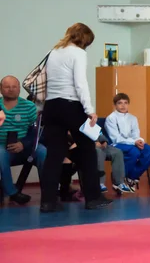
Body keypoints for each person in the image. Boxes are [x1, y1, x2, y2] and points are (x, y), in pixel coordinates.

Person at [39, 22, 111, 212]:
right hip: (70, 104)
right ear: (85, 39)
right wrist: (90, 109)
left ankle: (47, 202)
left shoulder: (53, 52)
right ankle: (93, 197)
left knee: (54, 154)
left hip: (51, 106)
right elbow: (80, 83)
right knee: (87, 150)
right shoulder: (78, 53)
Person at [0, 75, 44, 205]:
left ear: (19, 89)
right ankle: (12, 192)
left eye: (14, 86)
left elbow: (35, 132)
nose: (11, 89)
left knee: (43, 151)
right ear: (1, 89)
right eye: (7, 87)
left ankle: (48, 192)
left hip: (26, 147)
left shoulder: (29, 106)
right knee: (0, 154)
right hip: (3, 148)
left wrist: (23, 144)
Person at [104, 93, 150, 190]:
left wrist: (139, 141)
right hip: (117, 144)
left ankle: (131, 176)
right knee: (134, 152)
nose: (123, 105)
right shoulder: (111, 118)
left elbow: (136, 134)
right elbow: (116, 138)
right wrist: (134, 143)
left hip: (133, 143)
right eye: (120, 103)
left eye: (125, 103)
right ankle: (119, 178)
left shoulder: (133, 118)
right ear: (115, 105)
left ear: (128, 104)